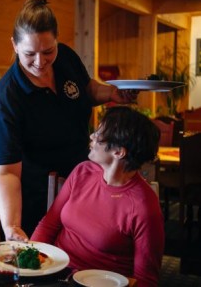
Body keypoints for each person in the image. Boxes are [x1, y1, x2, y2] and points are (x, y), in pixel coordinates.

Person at [0, 0, 138, 241]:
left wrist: (111, 92)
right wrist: (11, 226)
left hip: (85, 182)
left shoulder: (66, 57)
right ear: (14, 45)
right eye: (29, 53)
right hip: (40, 197)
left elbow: (86, 89)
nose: (40, 62)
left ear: (57, 40)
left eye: (48, 51)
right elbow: (6, 173)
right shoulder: (8, 98)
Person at [31, 106, 164, 286]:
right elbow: (48, 224)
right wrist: (29, 264)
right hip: (54, 272)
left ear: (118, 152)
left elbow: (146, 280)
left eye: (99, 135)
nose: (92, 137)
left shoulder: (143, 206)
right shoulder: (83, 171)